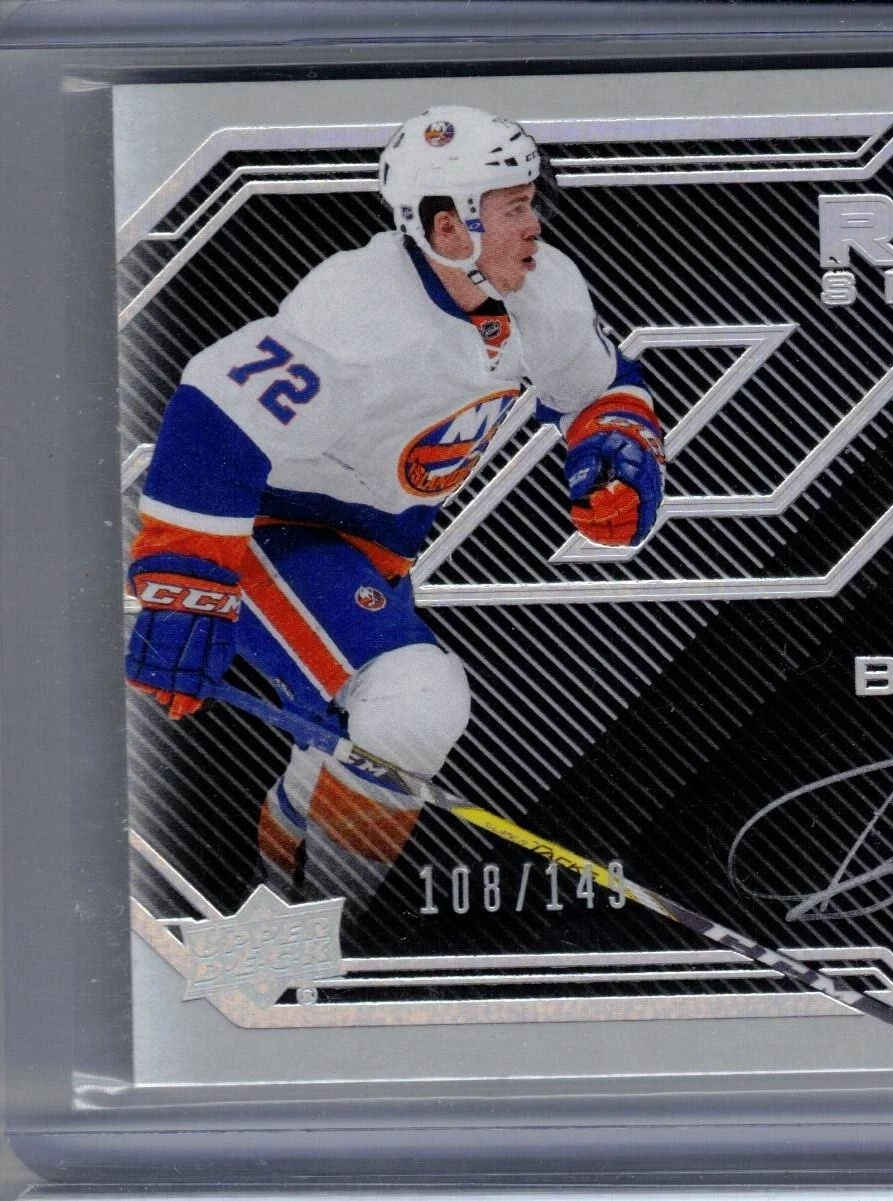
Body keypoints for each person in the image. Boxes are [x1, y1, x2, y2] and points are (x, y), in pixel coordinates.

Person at [125, 105, 666, 908]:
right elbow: (215, 411)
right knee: (414, 700)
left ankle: (280, 925)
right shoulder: (358, 308)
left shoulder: (542, 288)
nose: (535, 225)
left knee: (356, 743)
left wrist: (616, 444)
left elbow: (598, 383)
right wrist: (185, 581)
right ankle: (342, 932)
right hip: (271, 529)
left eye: (532, 202)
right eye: (514, 208)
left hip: (370, 552)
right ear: (448, 228)